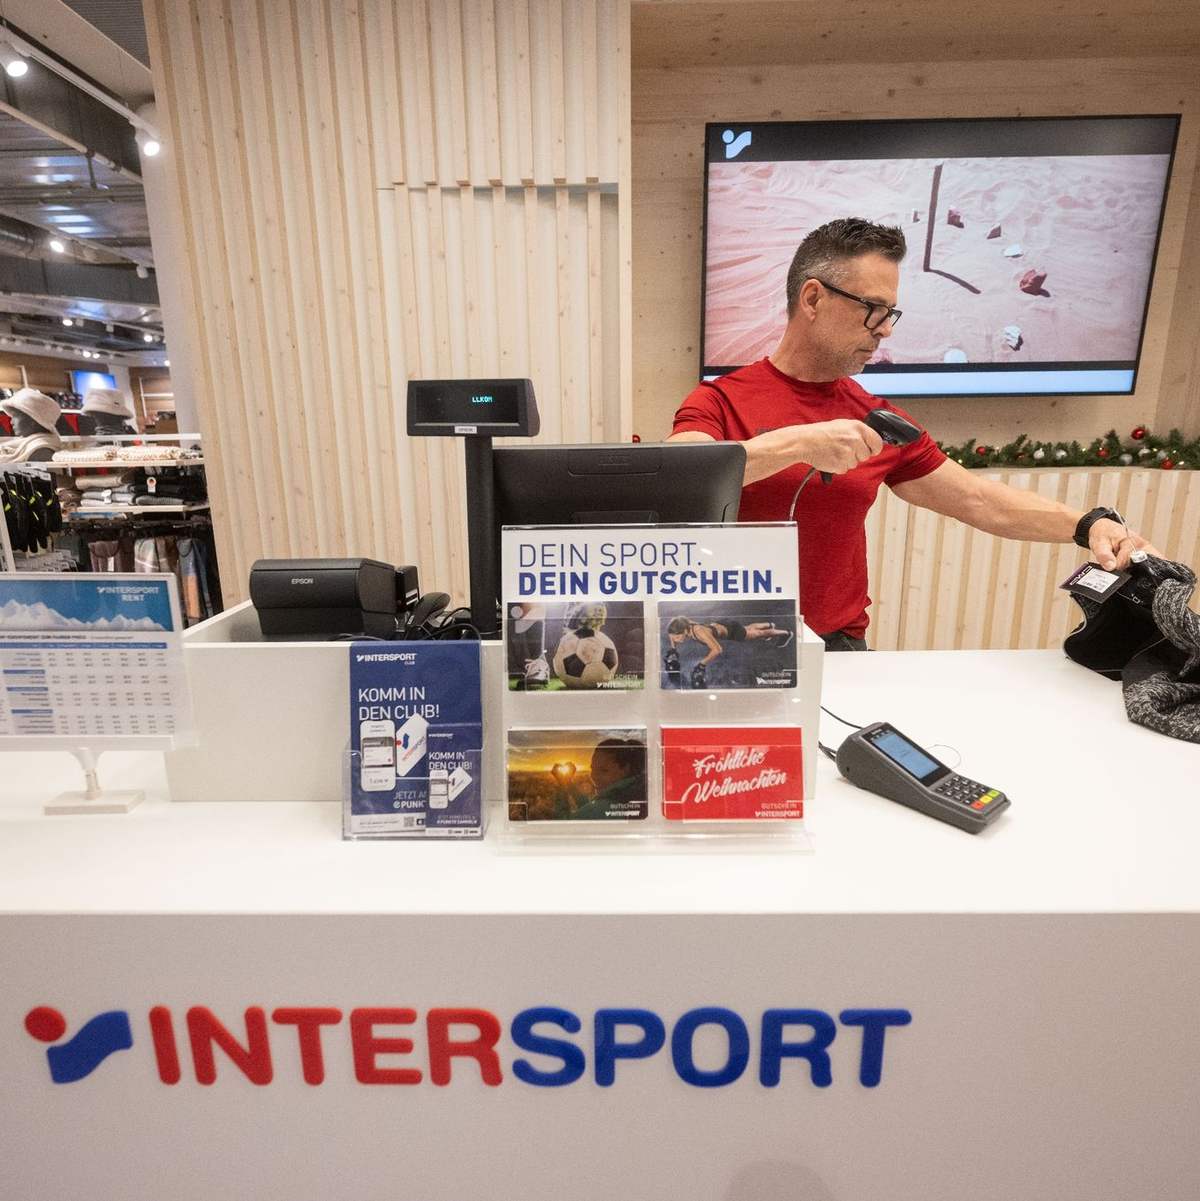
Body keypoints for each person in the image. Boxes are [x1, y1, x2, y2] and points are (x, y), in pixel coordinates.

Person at [669, 217, 1157, 649]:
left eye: (891, 312)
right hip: (727, 646)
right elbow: (680, 483)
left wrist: (1088, 523)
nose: (886, 331)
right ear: (813, 298)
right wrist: (800, 442)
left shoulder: (875, 419)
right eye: (873, 308)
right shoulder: (719, 401)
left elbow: (977, 500)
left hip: (839, 650)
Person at [664, 615, 791, 686]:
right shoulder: (682, 626)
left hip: (732, 631)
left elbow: (717, 649)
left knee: (756, 633)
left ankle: (785, 633)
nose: (675, 639)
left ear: (685, 631)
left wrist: (702, 663)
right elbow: (671, 634)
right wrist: (673, 649)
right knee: (748, 628)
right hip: (721, 624)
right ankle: (769, 624)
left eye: (677, 637)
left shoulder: (699, 632)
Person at [568, 738, 648, 820]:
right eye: (592, 769)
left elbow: (566, 823)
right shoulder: (642, 794)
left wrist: (563, 788)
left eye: (603, 770)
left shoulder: (602, 809)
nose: (594, 776)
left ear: (624, 770)